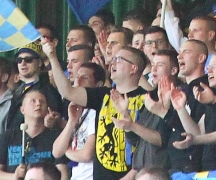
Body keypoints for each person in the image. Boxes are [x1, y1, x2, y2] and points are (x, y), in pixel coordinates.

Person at [42, 41, 150, 180]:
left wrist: (134, 173)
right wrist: (52, 57)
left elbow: (150, 142)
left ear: (133, 68)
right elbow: (67, 91)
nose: (112, 63)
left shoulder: (148, 99)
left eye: (118, 60)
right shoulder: (103, 95)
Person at [0, 90, 69, 180]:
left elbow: (63, 173)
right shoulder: (7, 136)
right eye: (33, 101)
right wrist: (13, 177)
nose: (38, 104)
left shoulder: (55, 137)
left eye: (42, 102)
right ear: (22, 109)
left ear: (47, 109)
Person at [52, 64, 98, 180]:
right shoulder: (77, 111)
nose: (78, 80)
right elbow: (56, 152)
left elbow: (86, 155)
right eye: (77, 76)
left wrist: (67, 151)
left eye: (84, 77)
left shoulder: (96, 111)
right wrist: (72, 121)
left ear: (99, 85)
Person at [9, 43, 61, 130]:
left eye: (28, 60)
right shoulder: (17, 90)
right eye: (19, 60)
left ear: (39, 63)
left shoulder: (48, 90)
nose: (23, 63)